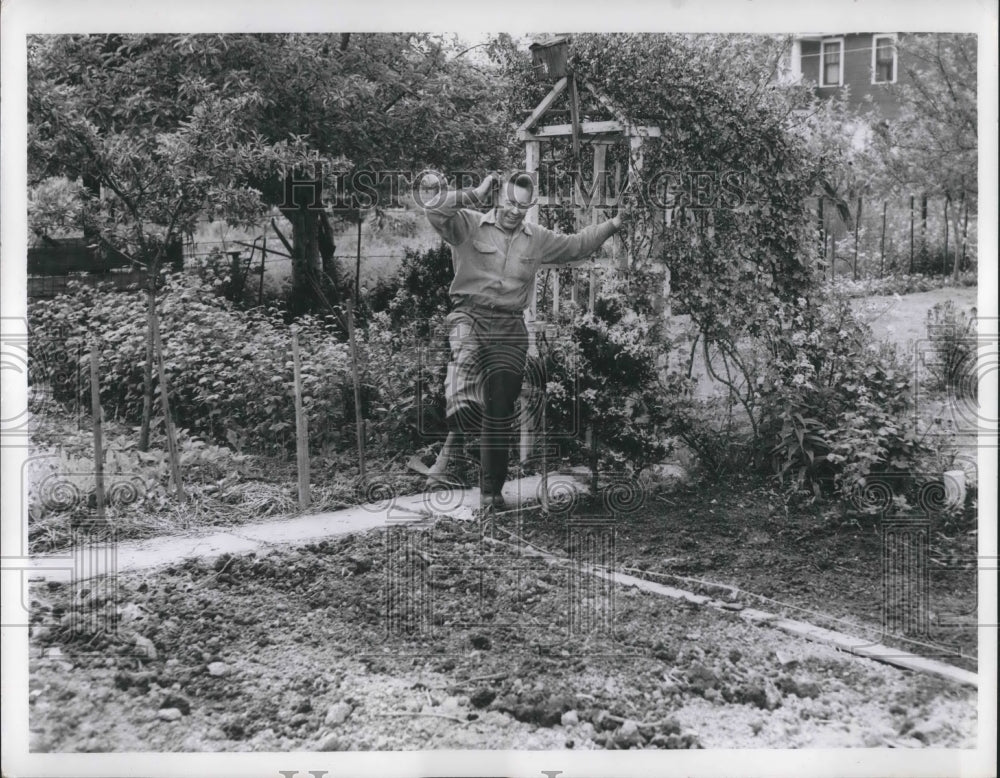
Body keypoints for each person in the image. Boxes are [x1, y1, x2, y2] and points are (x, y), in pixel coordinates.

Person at [418, 171, 627, 510]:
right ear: (499, 196)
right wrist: (475, 192)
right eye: (511, 202)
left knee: (499, 413)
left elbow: (576, 245)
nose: (516, 211)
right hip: (468, 317)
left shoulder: (537, 238)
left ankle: (490, 494)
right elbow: (434, 209)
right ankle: (461, 405)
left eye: (524, 206)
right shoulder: (467, 224)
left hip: (510, 327)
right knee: (466, 355)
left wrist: (615, 222)